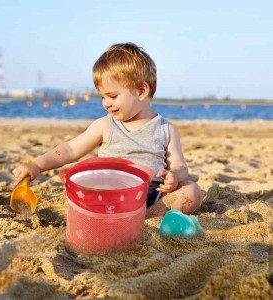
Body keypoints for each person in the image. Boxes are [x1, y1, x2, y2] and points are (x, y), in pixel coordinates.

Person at [13, 42, 202, 216]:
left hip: (151, 197)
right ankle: (116, 208)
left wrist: (174, 176)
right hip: (108, 195)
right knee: (87, 178)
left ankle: (148, 218)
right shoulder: (105, 125)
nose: (106, 103)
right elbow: (69, 149)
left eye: (112, 96)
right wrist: (37, 165)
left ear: (142, 91)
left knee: (192, 191)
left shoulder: (165, 129)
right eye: (103, 97)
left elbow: (179, 166)